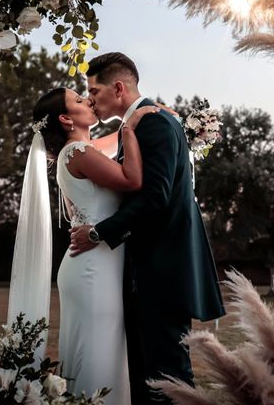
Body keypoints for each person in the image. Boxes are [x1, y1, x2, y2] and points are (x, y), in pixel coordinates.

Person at [70, 52, 226, 404]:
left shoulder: (154, 124)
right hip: (150, 269)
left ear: (119, 87)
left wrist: (98, 232)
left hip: (163, 270)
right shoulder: (142, 123)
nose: (91, 99)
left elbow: (156, 198)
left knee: (167, 376)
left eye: (94, 90)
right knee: (147, 373)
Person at [7, 85, 158, 405]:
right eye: (78, 100)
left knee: (102, 350)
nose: (87, 100)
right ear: (65, 118)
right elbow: (132, 180)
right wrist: (129, 129)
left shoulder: (80, 150)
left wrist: (141, 119)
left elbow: (112, 141)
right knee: (98, 352)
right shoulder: (78, 152)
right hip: (92, 269)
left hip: (94, 261)